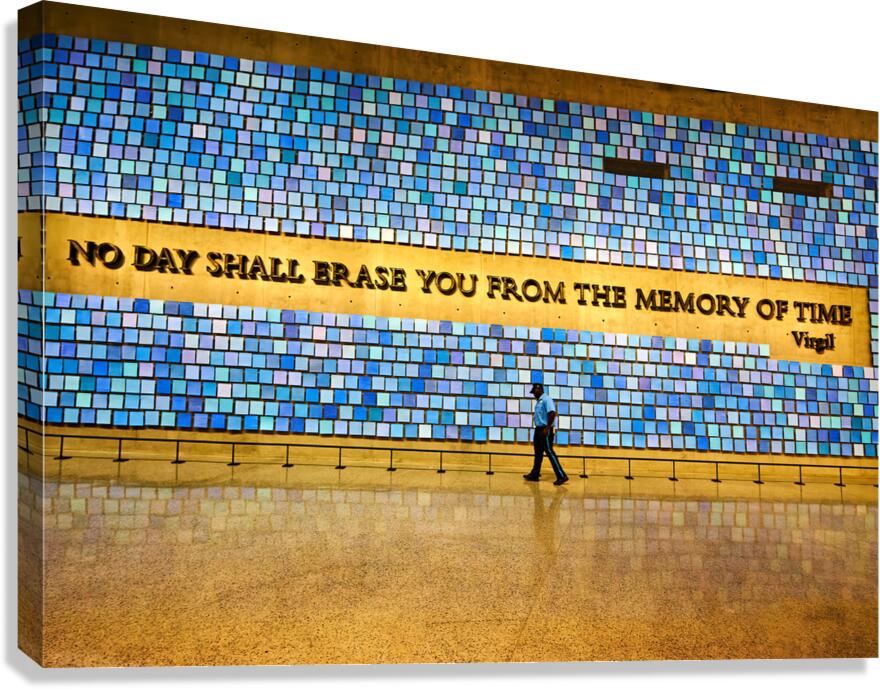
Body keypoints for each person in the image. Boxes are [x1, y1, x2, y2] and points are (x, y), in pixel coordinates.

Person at [523, 383, 568, 485]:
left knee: (549, 452)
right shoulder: (539, 401)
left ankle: (562, 475)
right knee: (538, 453)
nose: (533, 394)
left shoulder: (547, 399)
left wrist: (547, 428)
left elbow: (552, 413)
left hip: (545, 430)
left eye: (534, 392)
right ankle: (535, 474)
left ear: (539, 389)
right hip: (539, 429)